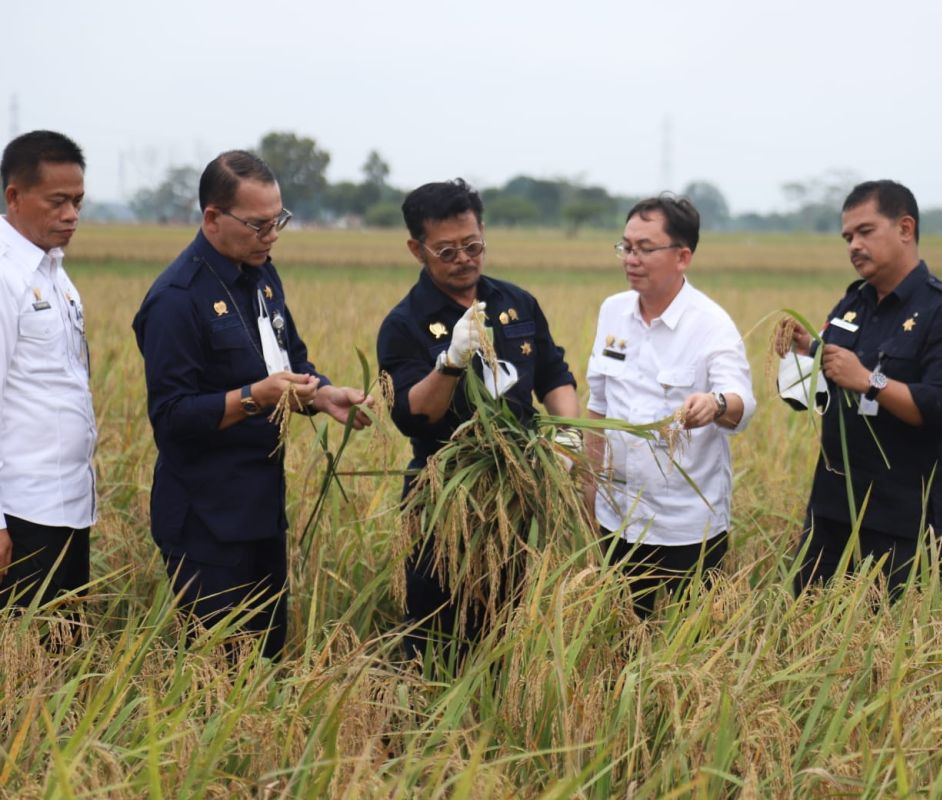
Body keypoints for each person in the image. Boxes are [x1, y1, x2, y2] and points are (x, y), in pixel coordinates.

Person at [132, 151, 370, 660]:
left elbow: (291, 359)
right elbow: (172, 418)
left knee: (266, 658)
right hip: (205, 522)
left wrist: (324, 394)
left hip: (262, 509)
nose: (272, 235)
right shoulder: (177, 299)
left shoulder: (262, 276)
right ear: (213, 219)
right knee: (216, 671)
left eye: (278, 221)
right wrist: (252, 398)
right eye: (258, 224)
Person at [377, 178, 579, 651]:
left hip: (519, 495)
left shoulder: (516, 303)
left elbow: (553, 374)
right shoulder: (403, 324)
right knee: (438, 630)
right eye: (447, 251)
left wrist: (568, 433)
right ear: (417, 248)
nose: (464, 259)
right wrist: (450, 363)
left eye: (473, 245)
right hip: (444, 501)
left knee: (514, 625)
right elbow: (411, 415)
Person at [780, 180, 942, 597]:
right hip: (833, 511)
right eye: (848, 237)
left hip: (906, 525)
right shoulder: (851, 305)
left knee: (892, 650)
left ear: (905, 228)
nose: (854, 244)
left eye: (865, 231)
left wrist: (870, 382)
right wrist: (802, 356)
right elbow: (811, 394)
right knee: (805, 633)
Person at [585, 195, 756, 618]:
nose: (631, 258)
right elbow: (597, 408)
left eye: (645, 248)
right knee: (620, 636)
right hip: (617, 518)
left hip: (686, 529)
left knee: (688, 647)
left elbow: (741, 402)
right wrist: (589, 492)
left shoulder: (710, 324)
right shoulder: (613, 311)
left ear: (682, 256)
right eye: (625, 246)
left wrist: (714, 405)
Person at [0, 131, 95, 610]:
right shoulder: (4, 277)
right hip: (21, 511)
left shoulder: (55, 274)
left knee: (62, 664)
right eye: (58, 201)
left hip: (68, 506)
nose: (71, 215)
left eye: (78, 201)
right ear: (14, 196)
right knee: (25, 669)